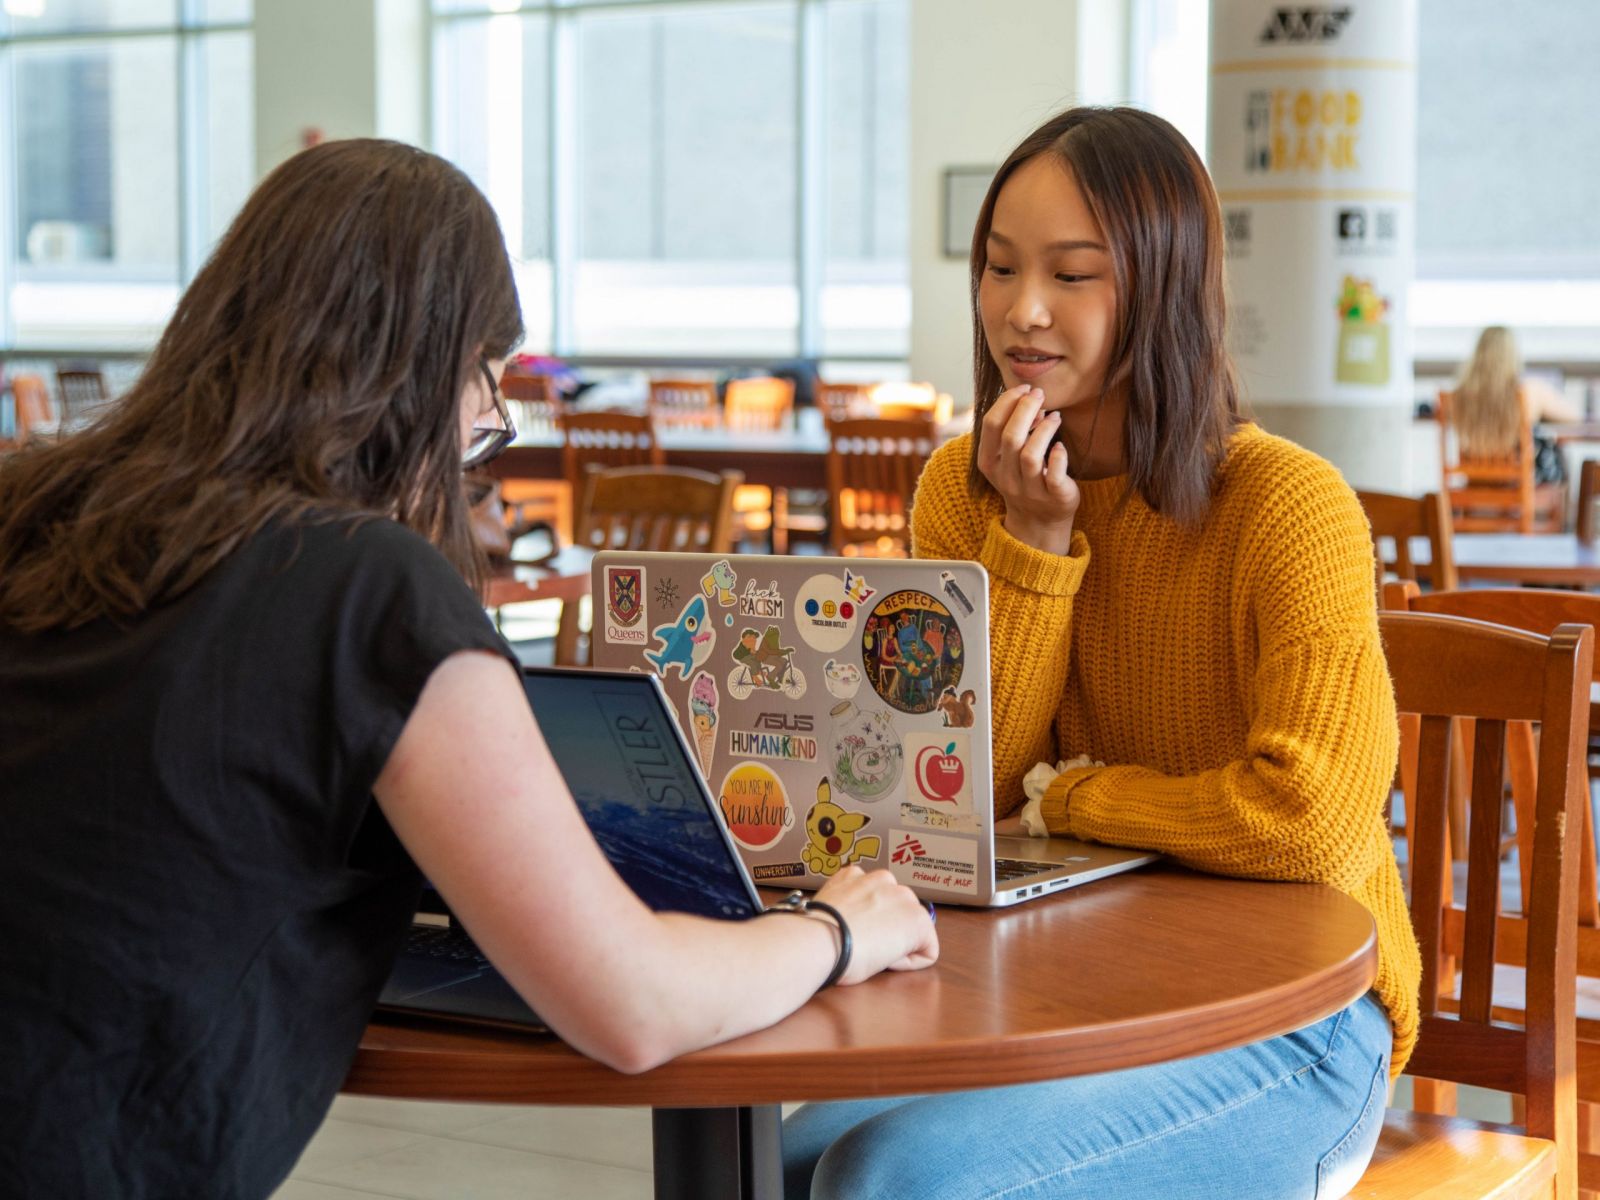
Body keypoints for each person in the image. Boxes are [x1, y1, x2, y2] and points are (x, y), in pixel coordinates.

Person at [0, 139, 937, 1200]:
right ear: (432, 367)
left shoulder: (29, 509)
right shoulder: (365, 587)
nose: (485, 425)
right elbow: (629, 1005)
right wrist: (834, 931)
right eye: (487, 376)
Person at [783, 106, 1420, 1200]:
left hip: (1302, 1030)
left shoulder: (1288, 505)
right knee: (778, 1158)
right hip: (1072, 997)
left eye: (1073, 276)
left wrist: (1074, 800)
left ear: (1162, 286)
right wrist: (1031, 541)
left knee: (892, 1180)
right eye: (996, 267)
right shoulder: (960, 491)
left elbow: (1308, 823)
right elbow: (958, 802)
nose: (1019, 312)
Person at [1449, 324, 1580, 483]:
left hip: (1476, 479)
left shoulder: (1460, 395)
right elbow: (1574, 416)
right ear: (1512, 355)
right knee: (1558, 457)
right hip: (1518, 480)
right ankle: (1561, 508)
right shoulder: (1529, 391)